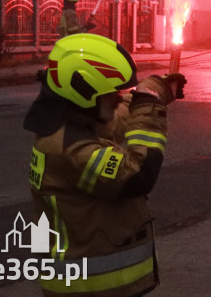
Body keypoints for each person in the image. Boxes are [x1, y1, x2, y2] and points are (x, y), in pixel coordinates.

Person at [23, 33, 186, 296]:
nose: (118, 98)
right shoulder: (71, 149)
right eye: (111, 93)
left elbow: (115, 116)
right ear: (83, 93)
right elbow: (137, 175)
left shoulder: (68, 122)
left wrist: (153, 90)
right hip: (87, 288)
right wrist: (149, 111)